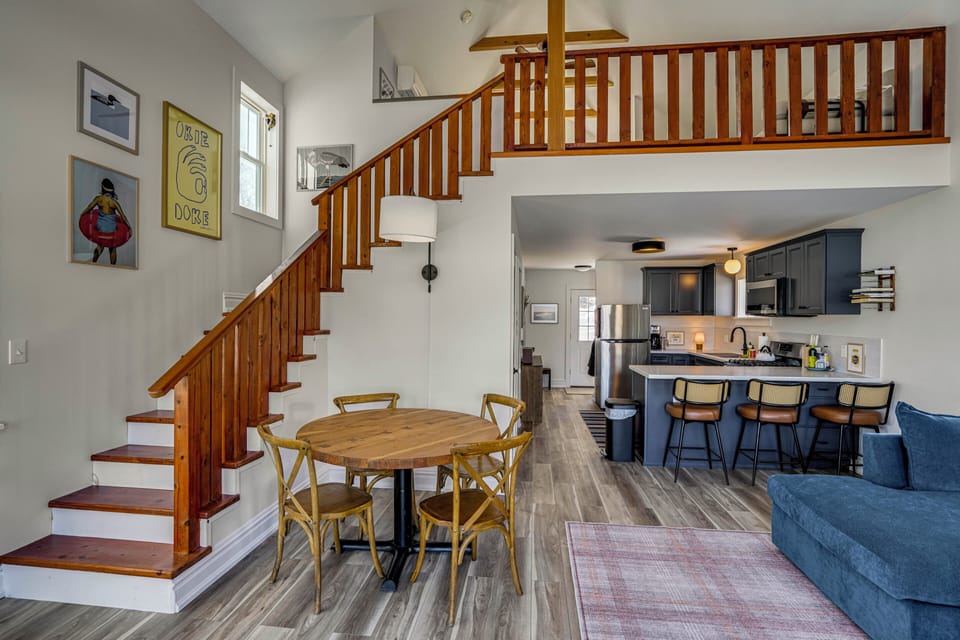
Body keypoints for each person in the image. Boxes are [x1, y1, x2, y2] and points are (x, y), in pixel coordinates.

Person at [78, 178, 132, 265]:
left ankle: (95, 258)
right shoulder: (114, 203)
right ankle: (113, 267)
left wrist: (82, 215)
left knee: (101, 244)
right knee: (112, 247)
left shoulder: (98, 199)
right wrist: (129, 228)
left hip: (100, 227)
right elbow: (123, 217)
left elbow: (89, 207)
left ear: (102, 189)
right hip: (111, 229)